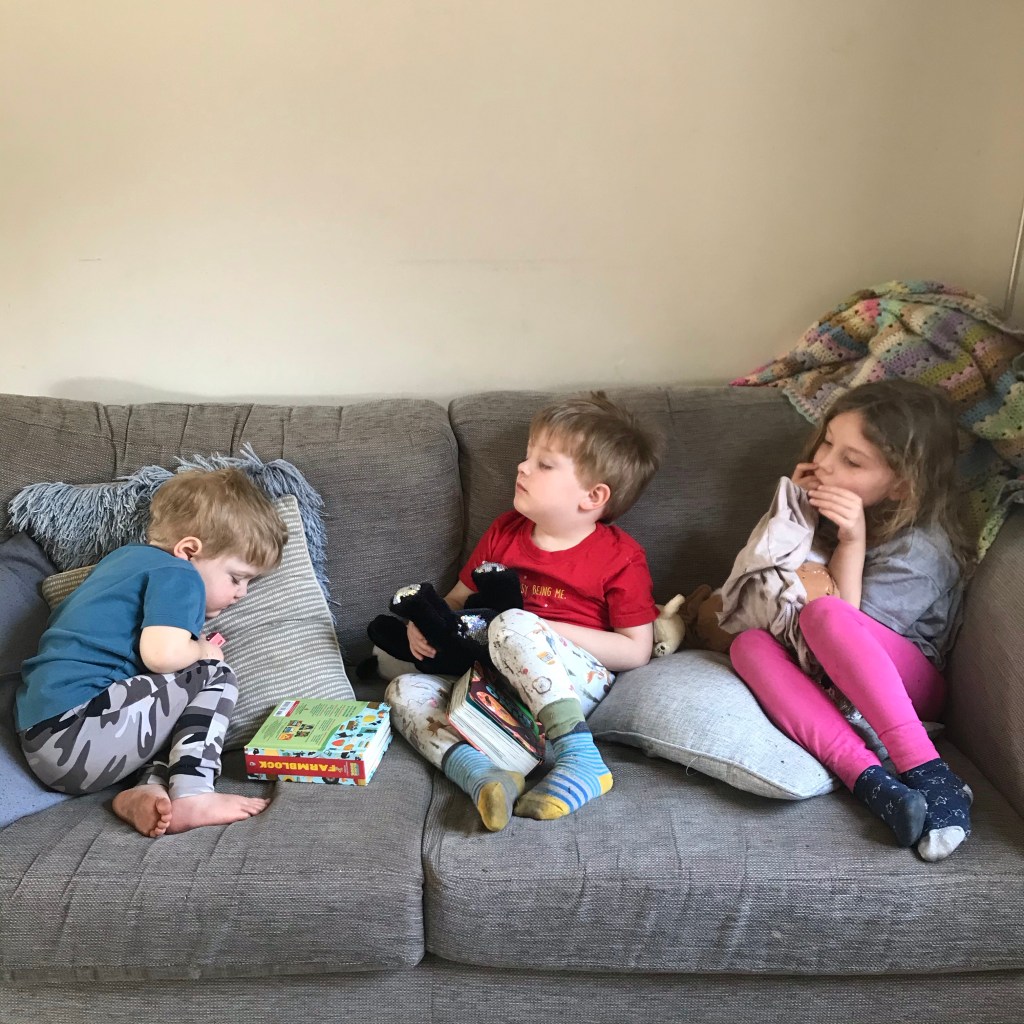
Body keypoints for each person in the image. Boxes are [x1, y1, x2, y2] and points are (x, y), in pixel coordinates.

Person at [386, 392, 661, 831]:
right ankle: (485, 776)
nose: (522, 467)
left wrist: (538, 627)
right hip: (496, 690)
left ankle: (579, 757)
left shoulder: (621, 557)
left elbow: (635, 650)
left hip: (573, 687)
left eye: (544, 464)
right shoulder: (505, 532)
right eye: (527, 456)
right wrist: (424, 625)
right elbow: (456, 601)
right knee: (402, 690)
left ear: (593, 496)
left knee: (511, 622)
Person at [728, 379, 975, 861]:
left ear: (902, 484)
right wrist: (792, 517)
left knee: (823, 613)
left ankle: (928, 771)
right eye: (827, 443)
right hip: (829, 668)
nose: (824, 464)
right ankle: (872, 783)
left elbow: (838, 636)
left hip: (906, 686)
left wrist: (852, 543)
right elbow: (769, 590)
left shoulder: (921, 550)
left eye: (852, 461)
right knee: (748, 645)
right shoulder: (822, 508)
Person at [17, 468, 288, 838]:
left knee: (172, 707)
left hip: (42, 743)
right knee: (215, 674)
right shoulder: (179, 575)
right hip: (78, 730)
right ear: (189, 551)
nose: (242, 593)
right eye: (236, 578)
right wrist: (203, 650)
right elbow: (162, 655)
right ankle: (194, 792)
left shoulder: (123, 561)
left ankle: (146, 789)